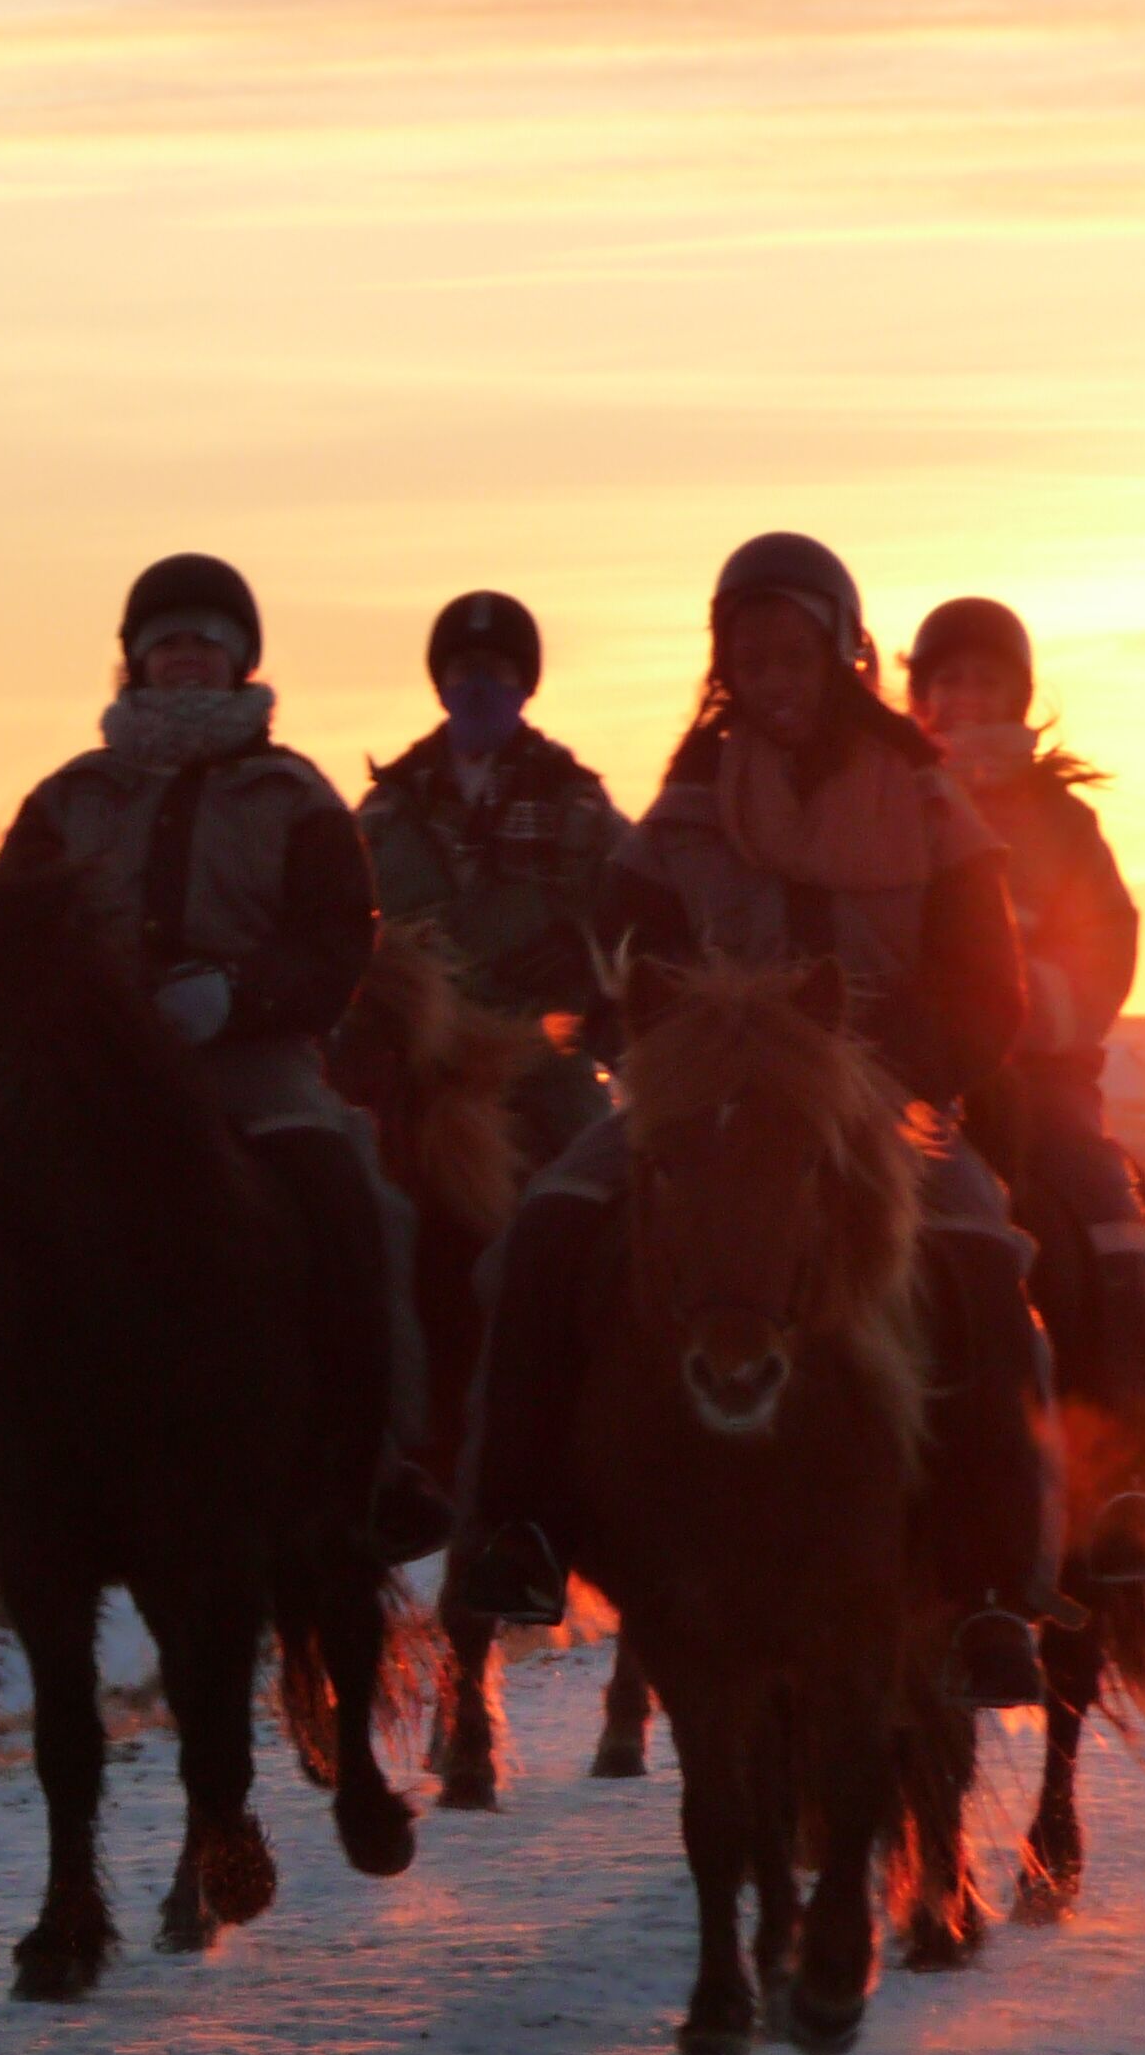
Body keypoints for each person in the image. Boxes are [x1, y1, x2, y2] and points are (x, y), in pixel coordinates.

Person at [445, 533, 1056, 1706]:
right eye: (750, 655)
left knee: (986, 1263)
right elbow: (614, 960)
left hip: (887, 1112)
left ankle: (992, 1580)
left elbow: (992, 991)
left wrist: (892, 1074)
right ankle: (514, 1528)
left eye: (795, 653)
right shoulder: (684, 806)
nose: (774, 676)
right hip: (707, 1113)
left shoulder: (927, 802)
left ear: (840, 653)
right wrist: (667, 1059)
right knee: (545, 1231)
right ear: (724, 663)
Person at [0, 552, 454, 1568]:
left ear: (241, 658)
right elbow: (10, 939)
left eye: (206, 639)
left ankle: (379, 1459)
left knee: (360, 1204)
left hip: (255, 1063)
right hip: (105, 1077)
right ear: (134, 663)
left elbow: (338, 938)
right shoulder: (68, 797)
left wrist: (240, 999)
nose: (186, 657)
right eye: (167, 641)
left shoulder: (293, 793)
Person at [911, 594, 1145, 1578]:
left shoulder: (1065, 823)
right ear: (920, 698)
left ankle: (1126, 1479)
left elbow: (1109, 936)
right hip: (929, 1080)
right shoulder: (897, 802)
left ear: (1018, 696)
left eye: (983, 680)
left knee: (1109, 1217)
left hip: (1042, 1079)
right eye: (944, 681)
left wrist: (1038, 1002)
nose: (963, 697)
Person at [356, 591, 627, 1166]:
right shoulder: (387, 808)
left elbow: (632, 907)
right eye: (462, 670)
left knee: (601, 1175)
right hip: (419, 1067)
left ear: (525, 684)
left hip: (543, 1057)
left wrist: (583, 961)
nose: (479, 686)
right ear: (440, 683)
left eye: (498, 670)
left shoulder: (576, 800)